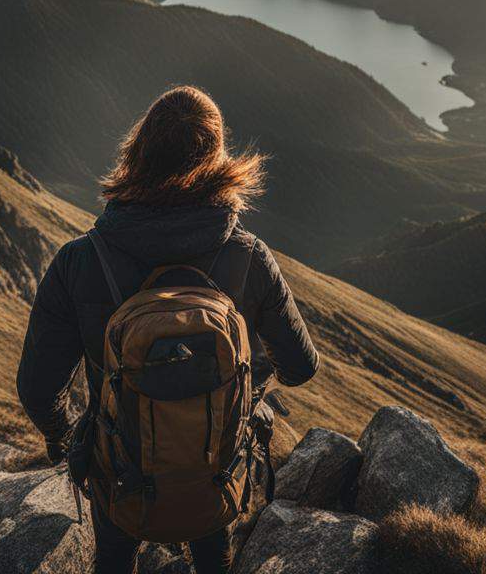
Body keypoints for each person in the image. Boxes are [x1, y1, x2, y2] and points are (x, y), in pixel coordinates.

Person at [17, 85, 320, 574]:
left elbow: (36, 389)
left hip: (118, 472)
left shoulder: (80, 261)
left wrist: (71, 437)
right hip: (215, 469)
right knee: (212, 558)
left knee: (112, 560)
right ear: (218, 159)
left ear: (138, 151)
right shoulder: (248, 257)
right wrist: (244, 390)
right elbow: (302, 367)